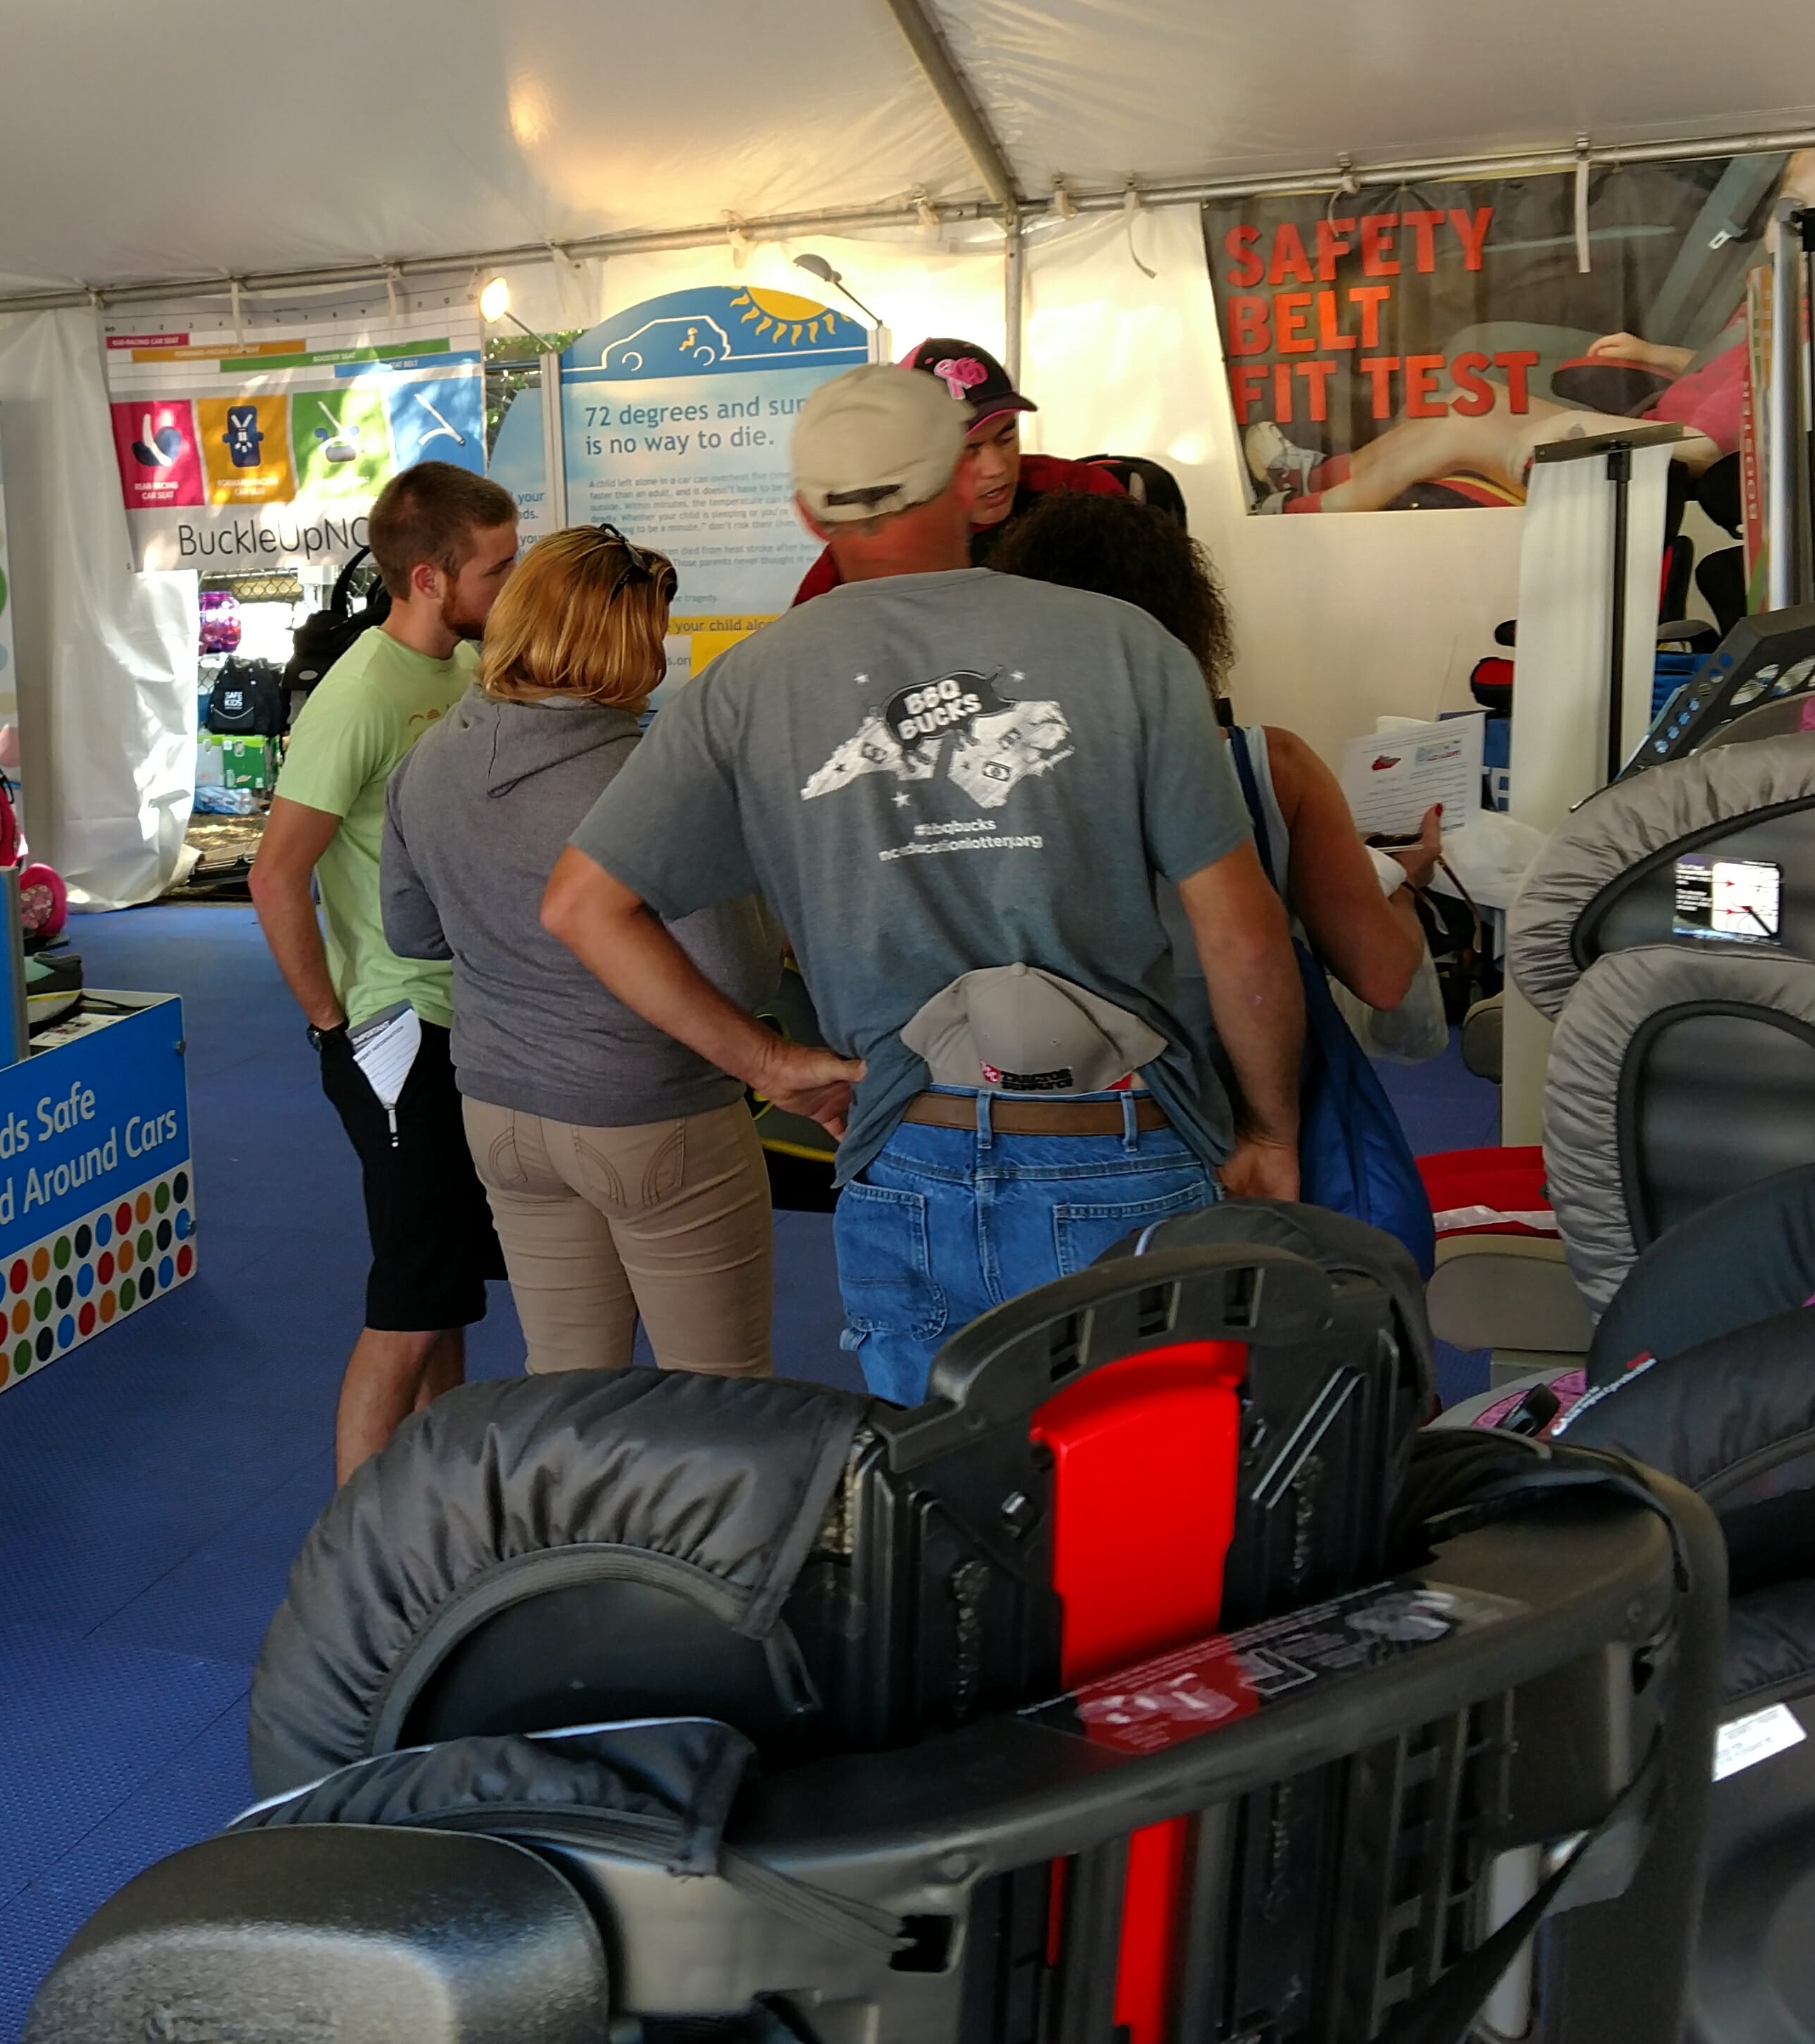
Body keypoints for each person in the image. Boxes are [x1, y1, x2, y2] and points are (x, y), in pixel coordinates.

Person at [545, 368, 1307, 1405]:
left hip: (905, 1150)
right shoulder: (1127, 646)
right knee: (1142, 1483)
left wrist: (769, 1065)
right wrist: (1269, 1133)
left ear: (808, 512)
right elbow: (1241, 934)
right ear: (961, 480)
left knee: (941, 1486)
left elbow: (580, 906)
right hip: (1116, 1143)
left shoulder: (749, 686)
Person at [380, 525, 780, 1378]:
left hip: (500, 1112)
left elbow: (414, 936)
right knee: (720, 1396)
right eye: (654, 635)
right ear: (627, 645)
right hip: (651, 1111)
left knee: (565, 1381)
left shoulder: (427, 761)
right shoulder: (654, 780)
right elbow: (740, 974)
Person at [250, 460, 521, 1479]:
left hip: (468, 1018)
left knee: (447, 1290)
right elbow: (275, 875)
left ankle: (433, 1497)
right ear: (428, 580)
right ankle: (356, 1542)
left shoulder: (464, 671)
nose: (512, 585)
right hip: (393, 1029)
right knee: (409, 1301)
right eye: (496, 569)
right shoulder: (360, 694)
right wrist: (335, 1030)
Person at [1244, 137, 1815, 512]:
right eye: (1792, 208)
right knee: (1469, 399)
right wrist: (1654, 354)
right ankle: (1319, 474)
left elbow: (1709, 445)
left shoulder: (1814, 336)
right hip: (1650, 431)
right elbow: (1718, 367)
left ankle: (1317, 512)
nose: (1803, 229)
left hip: (1654, 471)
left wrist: (1573, 431)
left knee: (1461, 428)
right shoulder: (1780, 296)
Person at [984, 492, 1446, 1032]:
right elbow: (1382, 976)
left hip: (1051, 1061)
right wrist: (1405, 880)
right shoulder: (1272, 767)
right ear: (1188, 615)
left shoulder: (975, 780)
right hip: (1226, 1062)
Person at [790, 336, 1122, 602]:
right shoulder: (867, 550)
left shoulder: (1081, 492)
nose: (996, 468)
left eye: (1007, 437)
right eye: (968, 450)